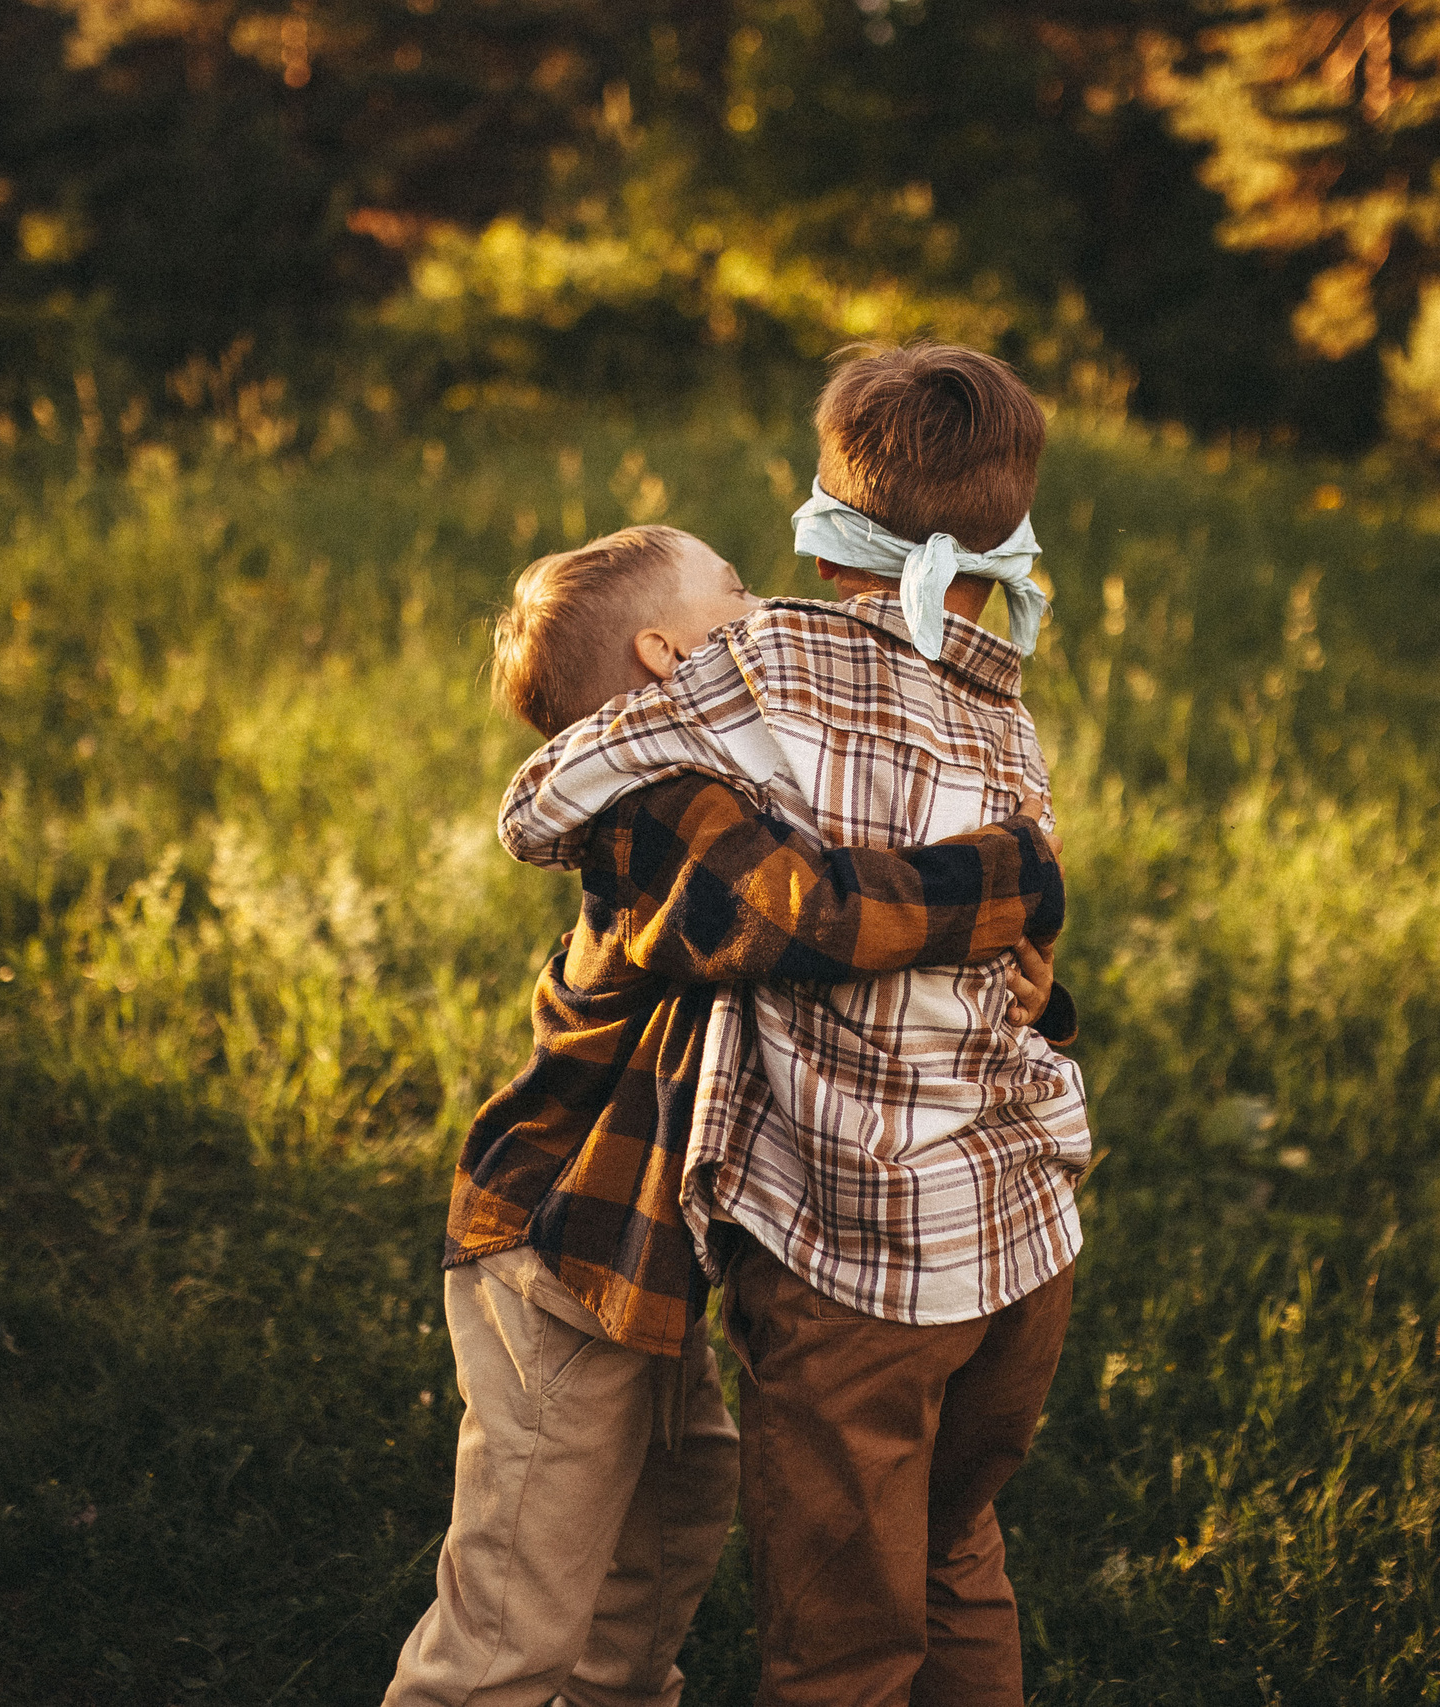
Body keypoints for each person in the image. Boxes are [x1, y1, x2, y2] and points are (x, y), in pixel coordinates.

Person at [385, 521, 1070, 1707]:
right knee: (523, 1586)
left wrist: (1032, 996)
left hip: (651, 1269)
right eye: (732, 593)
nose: (760, 610)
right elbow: (823, 918)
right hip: (560, 1252)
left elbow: (878, 962)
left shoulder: (738, 790)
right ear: (665, 655)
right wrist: (1014, 877)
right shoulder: (658, 817)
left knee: (674, 1516)